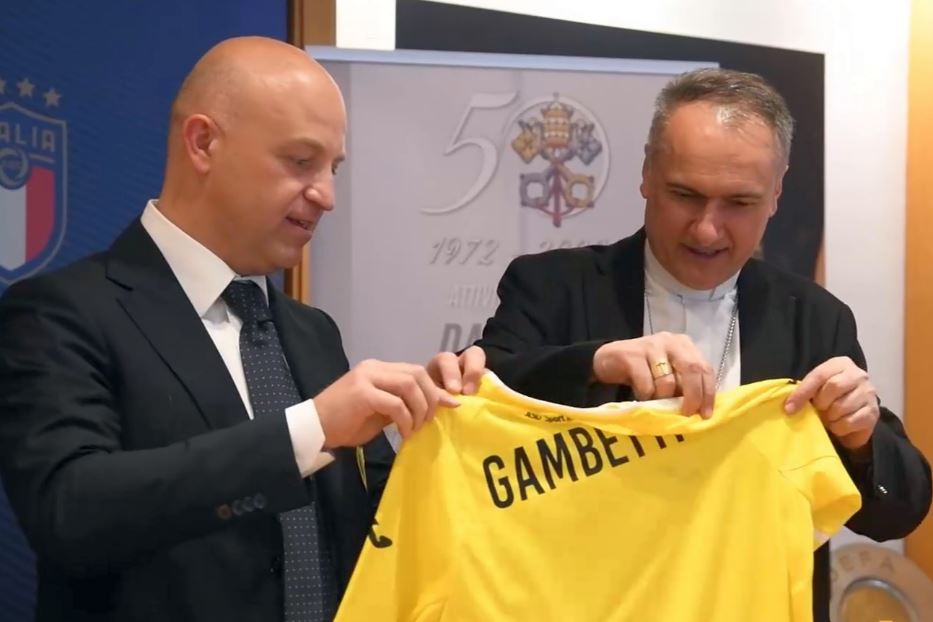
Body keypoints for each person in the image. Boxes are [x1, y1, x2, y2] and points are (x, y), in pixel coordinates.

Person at [0, 37, 482, 622]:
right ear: (204, 143)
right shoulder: (60, 312)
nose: (327, 195)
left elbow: (378, 525)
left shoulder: (312, 332)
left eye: (334, 169)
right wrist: (310, 430)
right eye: (301, 162)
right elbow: (69, 511)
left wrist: (438, 432)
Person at [475, 67, 931, 622]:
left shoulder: (814, 320)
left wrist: (861, 440)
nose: (707, 230)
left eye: (739, 203)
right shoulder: (552, 287)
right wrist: (594, 362)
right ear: (646, 172)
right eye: (685, 195)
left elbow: (898, 511)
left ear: (776, 196)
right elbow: (475, 398)